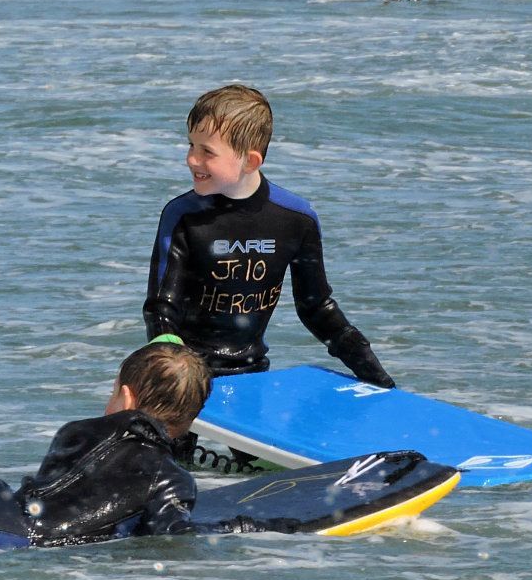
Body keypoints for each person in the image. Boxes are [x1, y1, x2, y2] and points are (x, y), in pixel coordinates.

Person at [144, 84, 393, 387]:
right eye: (191, 145)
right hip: (183, 374)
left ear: (250, 161)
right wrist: (176, 378)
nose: (191, 160)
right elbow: (161, 308)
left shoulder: (295, 219)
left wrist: (373, 372)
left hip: (252, 374)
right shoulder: (183, 216)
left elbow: (316, 307)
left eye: (206, 151)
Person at [0, 343, 210, 551]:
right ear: (190, 420)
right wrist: (241, 527)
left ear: (125, 397)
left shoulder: (75, 431)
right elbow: (169, 538)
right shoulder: (170, 477)